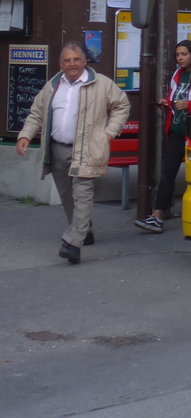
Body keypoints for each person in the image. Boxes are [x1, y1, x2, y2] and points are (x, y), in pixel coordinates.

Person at [15, 43, 130, 264]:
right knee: (67, 195)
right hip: (57, 148)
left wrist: (108, 133)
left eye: (76, 59)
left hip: (87, 148)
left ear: (85, 61)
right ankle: (83, 230)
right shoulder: (53, 85)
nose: (72, 64)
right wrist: (25, 136)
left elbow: (121, 105)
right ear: (60, 64)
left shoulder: (101, 84)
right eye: (67, 60)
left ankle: (73, 243)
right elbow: (36, 113)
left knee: (83, 193)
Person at [135, 40, 191, 233]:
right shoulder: (177, 74)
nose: (180, 58)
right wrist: (167, 102)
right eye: (177, 55)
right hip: (176, 129)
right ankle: (157, 216)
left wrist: (188, 106)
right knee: (167, 173)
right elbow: (173, 95)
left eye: (184, 54)